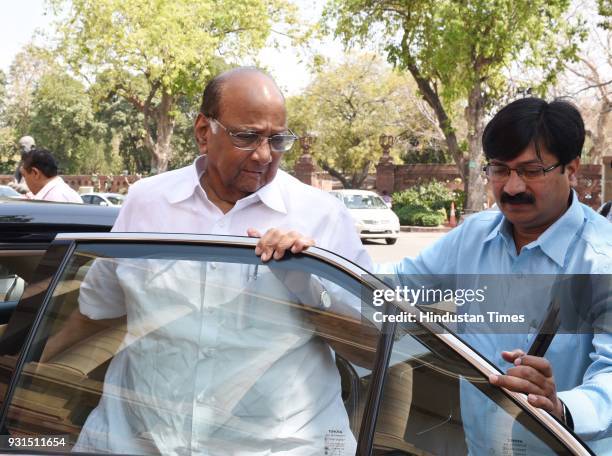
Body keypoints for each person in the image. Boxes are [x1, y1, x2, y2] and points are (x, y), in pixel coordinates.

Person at [255, 97, 612, 453]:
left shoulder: (600, 259)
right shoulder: (475, 236)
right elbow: (391, 290)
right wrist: (310, 264)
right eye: (500, 169)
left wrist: (561, 407)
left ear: (572, 169)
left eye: (531, 171)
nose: (513, 187)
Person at [43, 67, 371, 455]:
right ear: (203, 131)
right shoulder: (147, 202)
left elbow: (372, 349)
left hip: (279, 447)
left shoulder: (321, 215)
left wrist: (309, 282)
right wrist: (31, 372)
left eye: (278, 139)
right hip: (135, 439)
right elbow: (98, 308)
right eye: (247, 137)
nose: (265, 155)